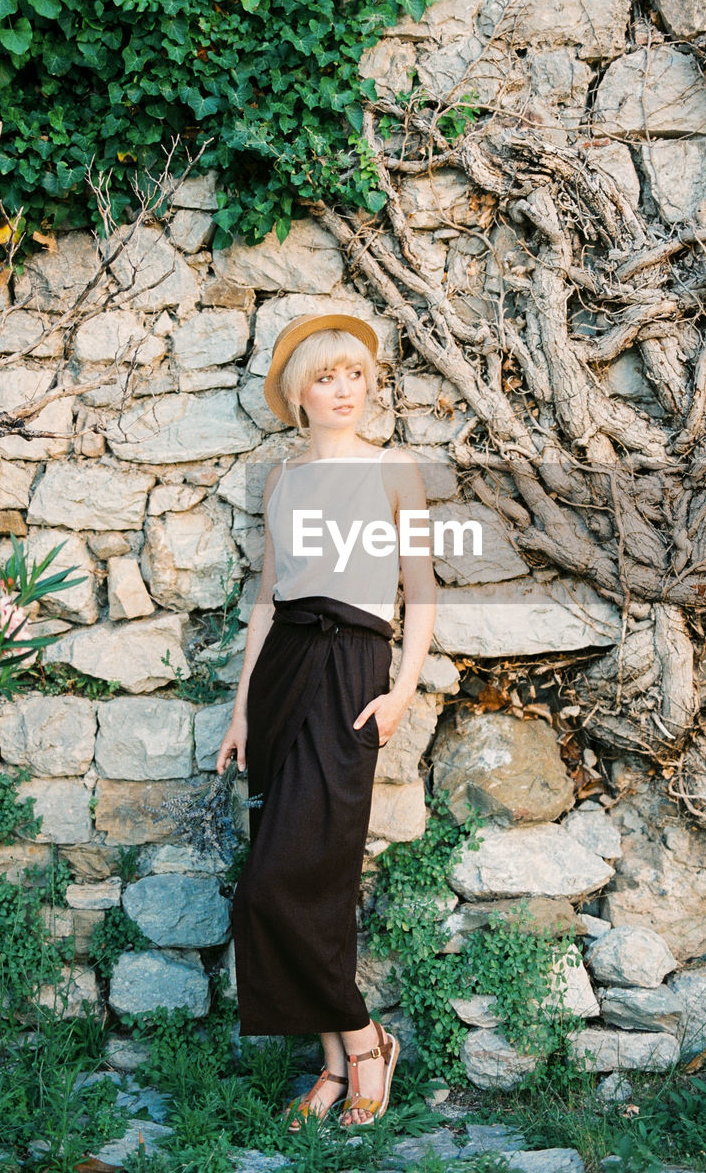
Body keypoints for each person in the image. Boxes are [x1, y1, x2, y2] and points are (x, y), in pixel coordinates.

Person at [216, 312, 436, 1130]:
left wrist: (402, 690)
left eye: (354, 375)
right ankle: (339, 1057)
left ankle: (367, 1041)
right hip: (282, 678)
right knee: (283, 875)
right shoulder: (280, 481)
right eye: (325, 377)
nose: (344, 390)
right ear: (297, 395)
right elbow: (268, 605)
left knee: (301, 875)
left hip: (352, 673)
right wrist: (241, 711)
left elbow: (421, 588)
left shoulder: (393, 471)